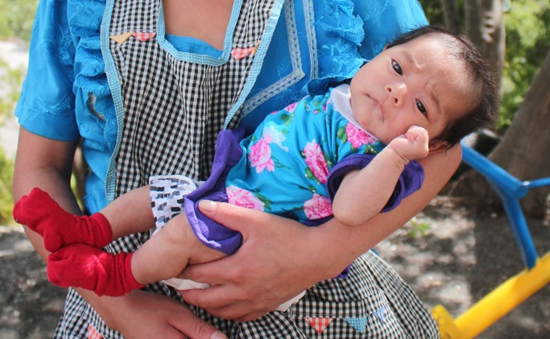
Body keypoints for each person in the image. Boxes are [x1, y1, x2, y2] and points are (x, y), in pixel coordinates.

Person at [12, 0, 477, 338]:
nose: (399, 92)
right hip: (120, 300)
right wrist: (120, 307)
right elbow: (38, 171)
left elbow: (441, 150)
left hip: (316, 309)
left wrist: (319, 254)